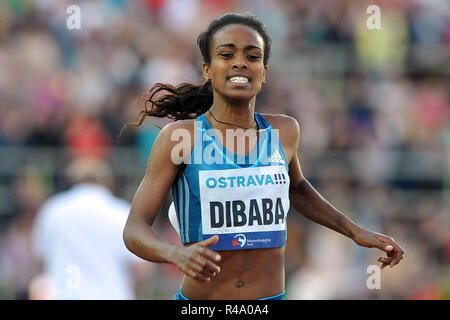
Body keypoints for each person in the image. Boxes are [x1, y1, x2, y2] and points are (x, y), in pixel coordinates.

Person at [122, 12, 405, 300]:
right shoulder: (181, 138)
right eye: (227, 54)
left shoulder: (284, 131)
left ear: (265, 71)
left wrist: (355, 232)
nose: (240, 62)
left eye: (252, 56)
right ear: (207, 69)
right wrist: (175, 254)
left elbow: (296, 189)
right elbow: (134, 229)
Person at [31, 157, 147, 299]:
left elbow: (40, 259)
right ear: (107, 182)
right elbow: (141, 268)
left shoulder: (53, 210)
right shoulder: (120, 212)